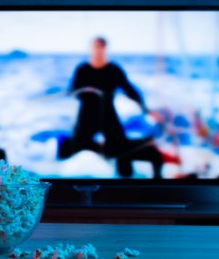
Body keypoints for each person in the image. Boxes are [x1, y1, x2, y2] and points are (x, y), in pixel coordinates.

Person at [65, 37, 164, 178]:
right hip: (86, 116)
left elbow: (130, 90)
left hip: (107, 115)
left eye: (101, 47)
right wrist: (86, 90)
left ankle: (126, 180)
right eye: (95, 47)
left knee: (121, 150)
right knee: (77, 148)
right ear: (91, 49)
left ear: (105, 49)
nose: (98, 51)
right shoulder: (82, 70)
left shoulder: (114, 70)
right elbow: (72, 91)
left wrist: (146, 110)